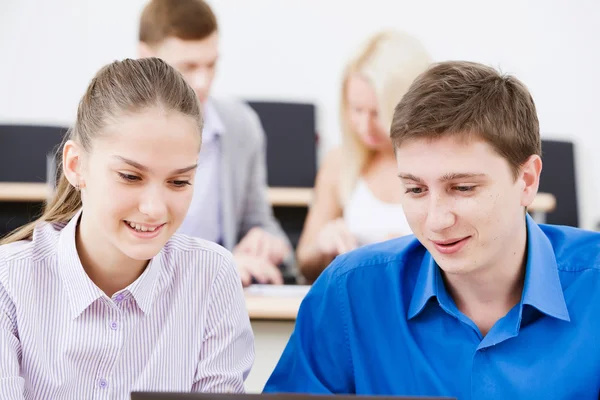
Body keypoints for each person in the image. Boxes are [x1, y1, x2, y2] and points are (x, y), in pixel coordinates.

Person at [263, 61, 600, 398]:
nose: (436, 221)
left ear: (527, 180)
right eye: (416, 190)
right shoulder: (348, 292)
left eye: (463, 188)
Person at [0, 58, 254, 399]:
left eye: (179, 181)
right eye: (131, 177)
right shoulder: (9, 283)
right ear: (76, 166)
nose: (154, 208)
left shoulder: (212, 277)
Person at [137, 0, 293, 287]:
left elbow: (261, 222)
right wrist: (219, 266)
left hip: (214, 299)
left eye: (211, 65)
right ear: (145, 57)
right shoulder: (112, 129)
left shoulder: (241, 126)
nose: (202, 82)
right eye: (188, 66)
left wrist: (267, 242)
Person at [295, 31, 431, 282]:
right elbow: (305, 262)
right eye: (356, 110)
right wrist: (324, 246)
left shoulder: (440, 165)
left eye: (378, 113)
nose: (364, 126)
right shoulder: (340, 163)